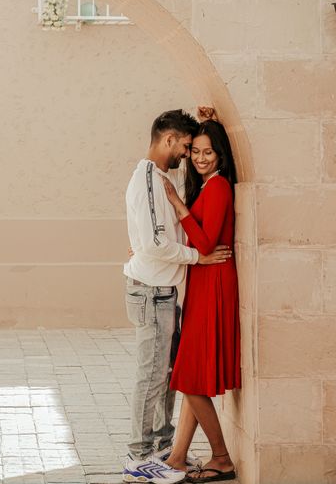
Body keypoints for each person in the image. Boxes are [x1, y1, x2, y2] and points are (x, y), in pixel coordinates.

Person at [122, 109, 232, 484]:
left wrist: (208, 116)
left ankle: (170, 452)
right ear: (169, 140)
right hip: (153, 291)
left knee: (173, 376)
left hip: (169, 291)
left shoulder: (170, 180)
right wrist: (196, 256)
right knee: (154, 377)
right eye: (187, 147)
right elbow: (156, 242)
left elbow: (160, 235)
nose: (190, 155)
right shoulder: (151, 179)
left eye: (202, 150)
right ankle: (140, 456)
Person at [160, 117, 240, 483]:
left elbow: (206, 243)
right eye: (195, 151)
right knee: (190, 375)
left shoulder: (220, 186)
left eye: (209, 152)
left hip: (214, 284)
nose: (201, 157)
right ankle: (177, 457)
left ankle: (221, 456)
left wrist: (177, 202)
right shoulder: (208, 186)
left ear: (220, 155)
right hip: (204, 281)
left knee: (189, 379)